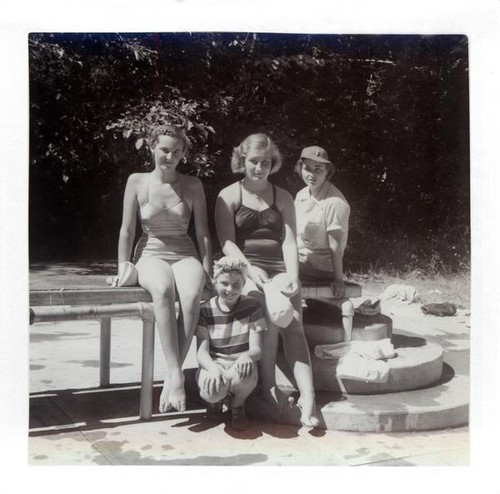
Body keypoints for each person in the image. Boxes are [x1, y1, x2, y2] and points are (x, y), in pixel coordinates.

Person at [215, 133, 320, 428]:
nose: (259, 167)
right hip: (244, 267)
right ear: (241, 160)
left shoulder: (282, 196)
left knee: (294, 322)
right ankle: (269, 389)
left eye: (265, 162)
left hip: (278, 267)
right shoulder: (229, 195)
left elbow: (289, 242)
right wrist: (249, 270)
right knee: (264, 309)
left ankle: (309, 396)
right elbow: (226, 242)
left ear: (272, 163)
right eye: (253, 161)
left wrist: (294, 278)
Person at [117, 124, 212, 413]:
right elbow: (127, 230)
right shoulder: (137, 181)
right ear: (152, 148)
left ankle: (173, 375)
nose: (169, 157)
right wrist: (123, 265)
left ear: (183, 155)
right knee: (162, 289)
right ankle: (177, 374)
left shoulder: (193, 185)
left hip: (184, 253)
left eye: (177, 152)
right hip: (151, 253)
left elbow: (203, 233)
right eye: (164, 150)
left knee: (192, 293)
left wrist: (207, 270)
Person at [196, 256, 265, 431]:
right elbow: (201, 352)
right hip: (215, 364)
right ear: (215, 281)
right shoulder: (205, 309)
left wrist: (247, 355)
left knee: (247, 373)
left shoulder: (253, 306)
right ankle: (217, 401)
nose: (230, 289)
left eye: (236, 285)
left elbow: (257, 349)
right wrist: (212, 368)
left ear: (244, 283)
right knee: (211, 389)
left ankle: (237, 405)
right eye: (224, 283)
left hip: (238, 364)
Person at [294, 145, 350, 299]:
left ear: (327, 171)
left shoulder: (334, 202)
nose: (312, 174)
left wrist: (338, 280)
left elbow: (335, 245)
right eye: (307, 168)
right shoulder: (301, 195)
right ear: (300, 169)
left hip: (320, 268)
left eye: (318, 169)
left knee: (269, 266)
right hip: (301, 260)